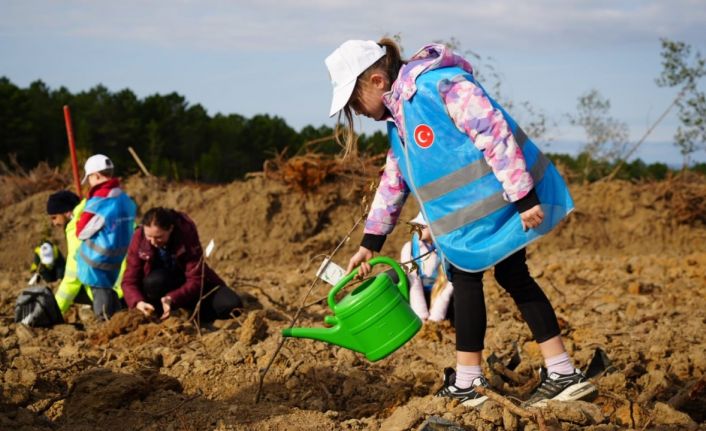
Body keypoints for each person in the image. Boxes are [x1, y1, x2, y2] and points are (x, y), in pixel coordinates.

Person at [326, 39, 596, 407]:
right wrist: (370, 242)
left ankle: (471, 381)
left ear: (375, 80)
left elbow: (494, 132)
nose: (356, 111)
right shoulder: (400, 116)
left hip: (502, 207)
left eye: (353, 101)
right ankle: (559, 371)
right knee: (507, 276)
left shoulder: (439, 86)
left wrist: (523, 195)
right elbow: (394, 178)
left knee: (472, 278)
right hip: (474, 222)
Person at [121, 207, 243, 322]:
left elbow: (196, 278)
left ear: (171, 229)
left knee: (232, 306)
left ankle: (191, 314)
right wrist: (138, 302)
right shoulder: (139, 237)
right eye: (149, 237)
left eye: (159, 237)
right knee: (155, 281)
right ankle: (159, 314)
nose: (153, 242)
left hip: (186, 287)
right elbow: (129, 280)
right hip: (157, 289)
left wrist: (173, 299)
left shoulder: (186, 233)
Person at [46, 190, 127, 316]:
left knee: (75, 288)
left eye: (54, 217)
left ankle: (106, 313)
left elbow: (73, 276)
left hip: (115, 292)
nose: (54, 223)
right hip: (129, 285)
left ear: (67, 212)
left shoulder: (78, 227)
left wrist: (53, 312)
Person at [75, 154, 136, 320]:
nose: (89, 182)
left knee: (100, 294)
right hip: (117, 259)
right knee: (108, 292)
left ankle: (105, 325)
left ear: (96, 176)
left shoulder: (98, 201)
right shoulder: (125, 199)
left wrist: (78, 220)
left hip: (95, 260)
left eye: (90, 178)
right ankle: (119, 321)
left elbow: (81, 232)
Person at [401, 213, 453, 322]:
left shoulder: (447, 249)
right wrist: (421, 315)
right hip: (416, 297)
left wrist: (436, 316)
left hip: (440, 297)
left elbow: (449, 285)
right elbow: (413, 281)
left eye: (423, 226)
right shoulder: (409, 248)